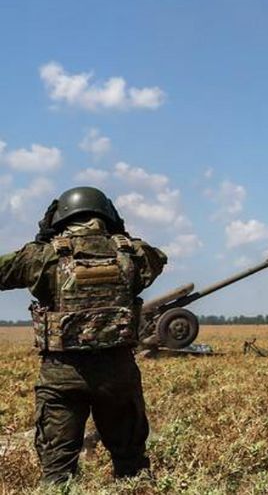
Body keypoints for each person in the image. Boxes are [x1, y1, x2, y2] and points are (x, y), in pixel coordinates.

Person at [0, 187, 167, 484]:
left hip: (62, 375)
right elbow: (158, 259)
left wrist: (40, 240)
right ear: (108, 214)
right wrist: (121, 234)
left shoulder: (42, 255)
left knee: (57, 474)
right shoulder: (133, 253)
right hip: (118, 374)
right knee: (132, 469)